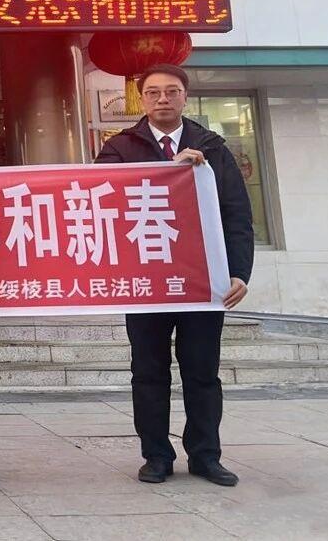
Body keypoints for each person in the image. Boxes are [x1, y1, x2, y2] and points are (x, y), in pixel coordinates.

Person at [95, 63, 254, 487]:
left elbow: (237, 214)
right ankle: (156, 456)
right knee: (148, 372)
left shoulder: (213, 147)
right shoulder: (119, 148)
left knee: (202, 373)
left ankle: (206, 455)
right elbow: (104, 202)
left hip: (202, 282)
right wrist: (170, 171)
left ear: (185, 97)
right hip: (146, 281)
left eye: (171, 91)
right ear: (141, 99)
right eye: (153, 92)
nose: (162, 99)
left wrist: (239, 272)